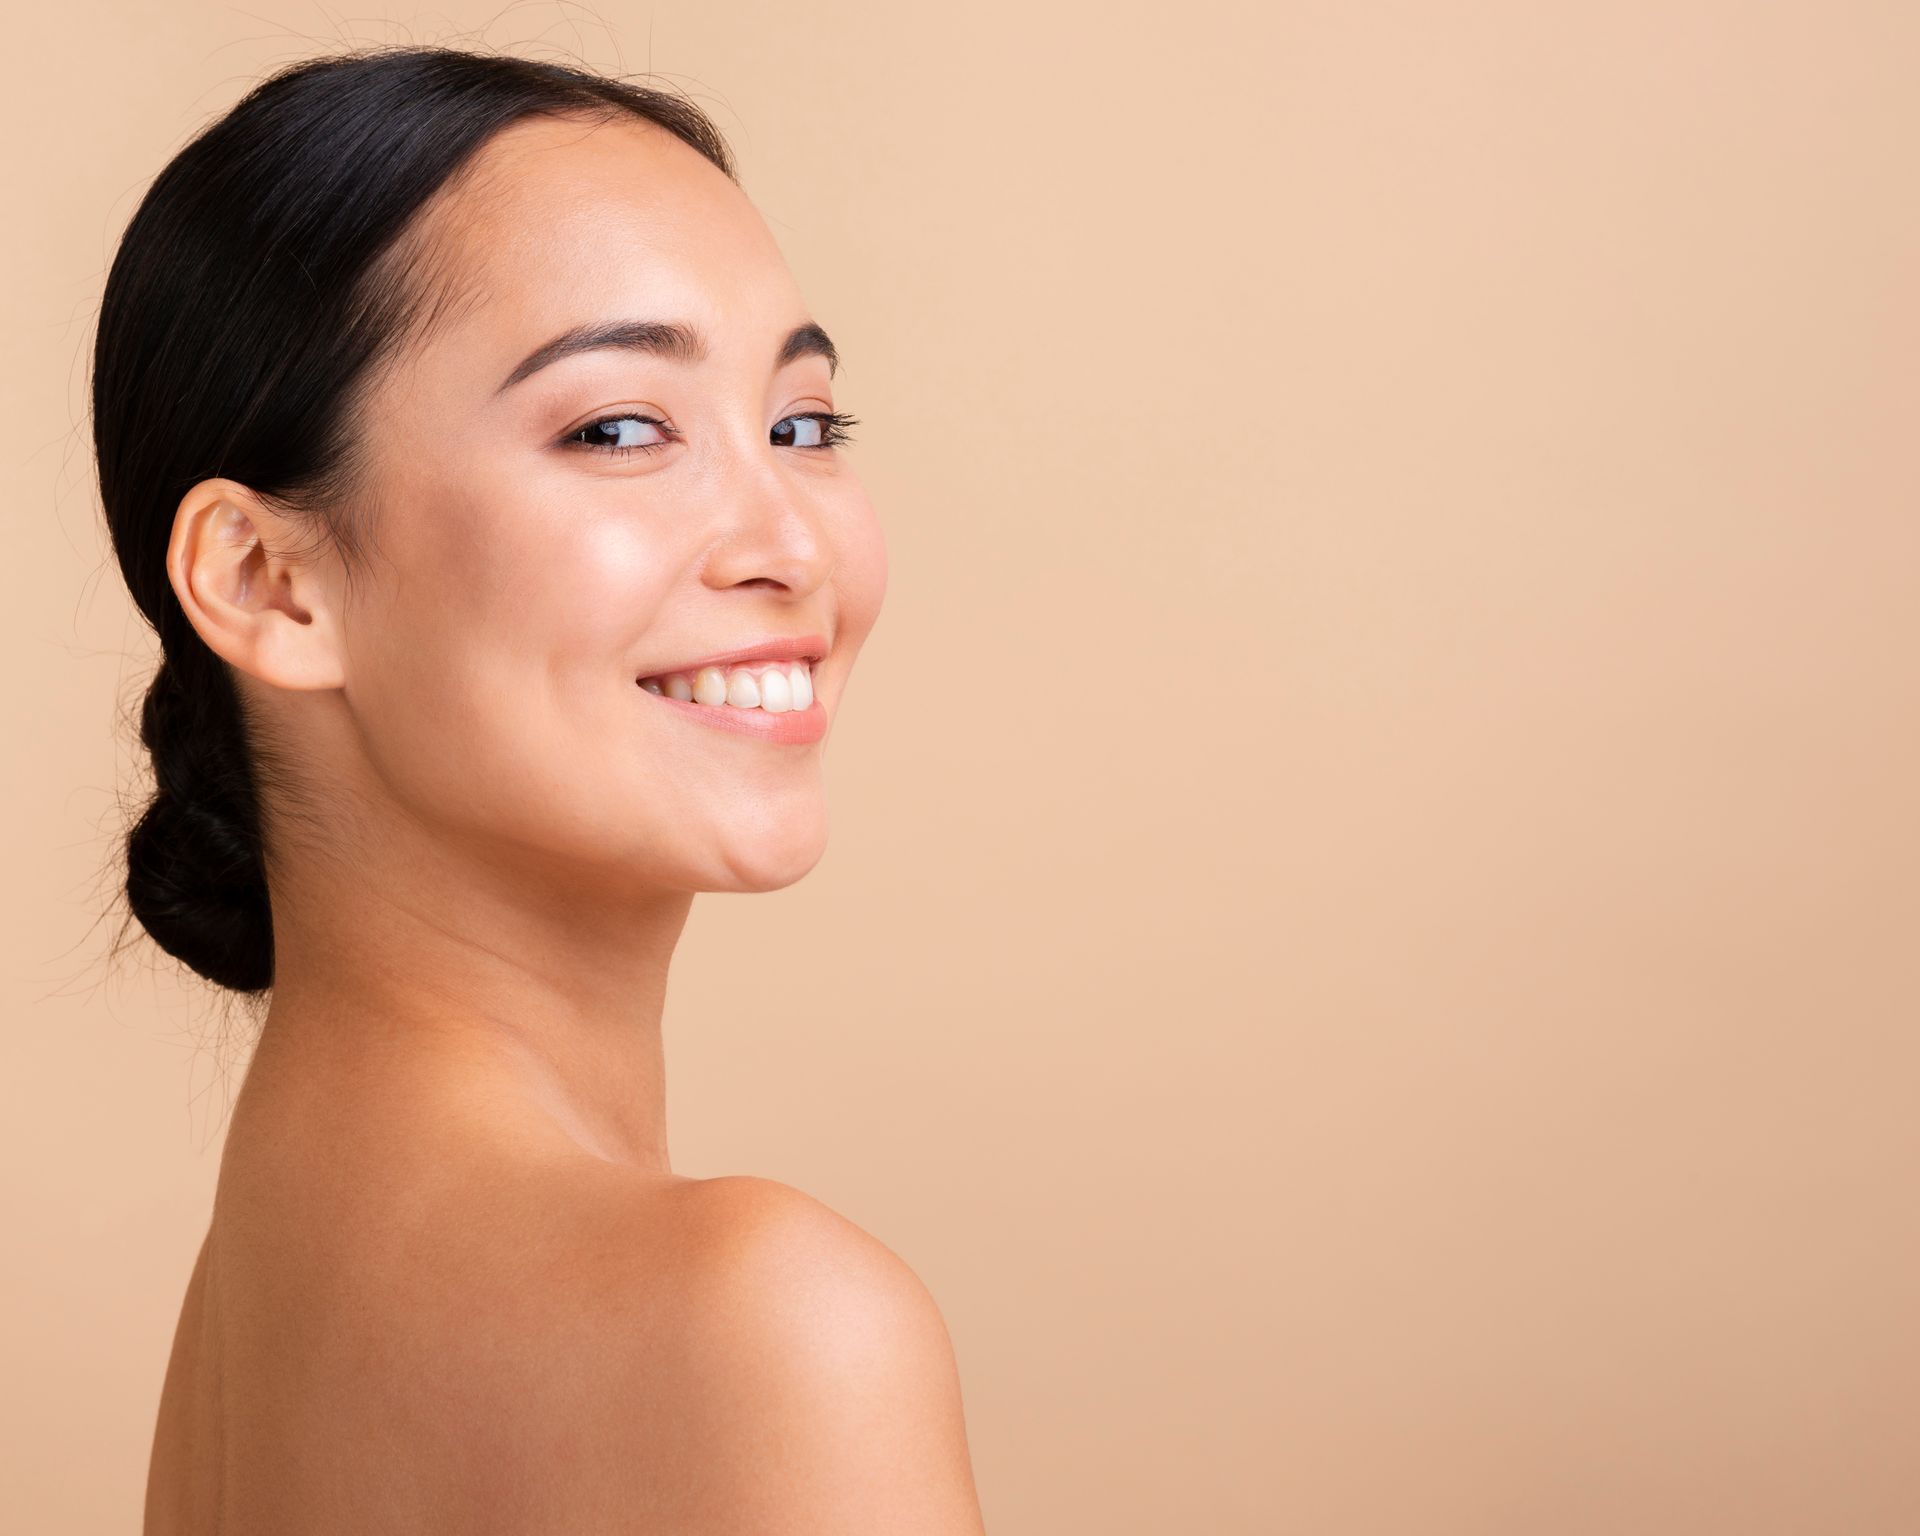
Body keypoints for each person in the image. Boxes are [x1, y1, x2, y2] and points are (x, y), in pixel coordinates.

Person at [93, 44, 986, 1533]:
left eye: (803, 426)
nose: (792, 545)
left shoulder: (258, 1302)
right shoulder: (762, 1327)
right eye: (619, 429)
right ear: (267, 581)